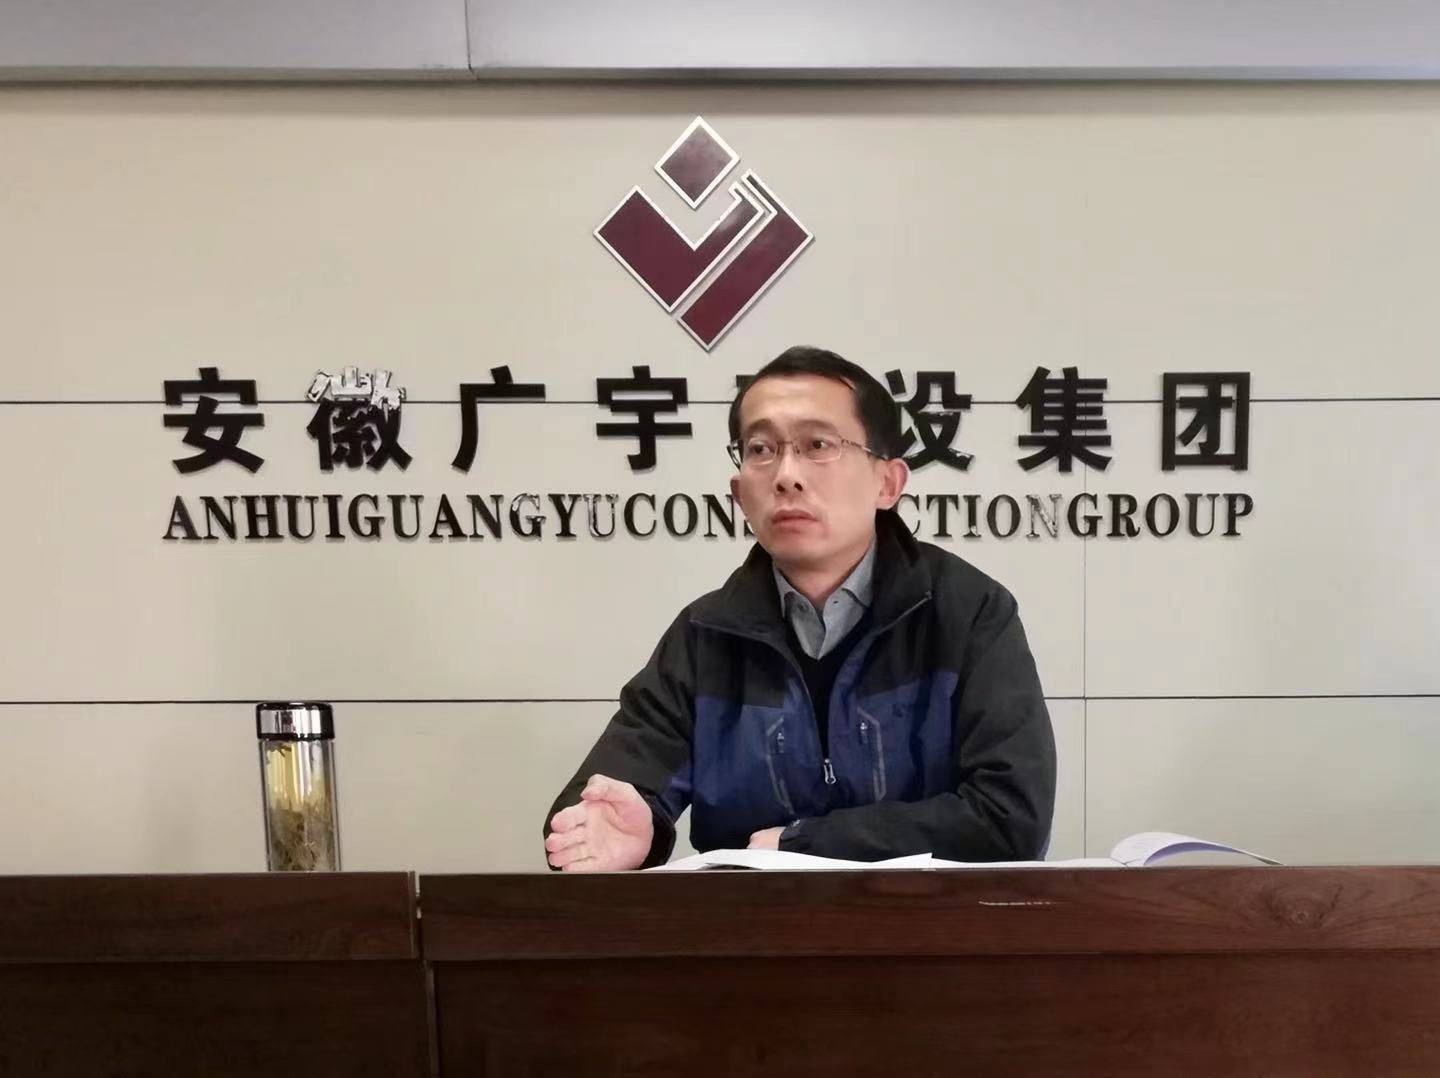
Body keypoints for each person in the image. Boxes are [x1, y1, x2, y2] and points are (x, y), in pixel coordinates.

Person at [544, 346, 1055, 870]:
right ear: (739, 494)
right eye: (761, 449)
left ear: (888, 483)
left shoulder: (967, 613)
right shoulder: (705, 636)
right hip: (752, 921)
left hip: (927, 920)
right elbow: (612, 792)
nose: (787, 475)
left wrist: (805, 845)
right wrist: (617, 829)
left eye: (818, 445)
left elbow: (1011, 817)